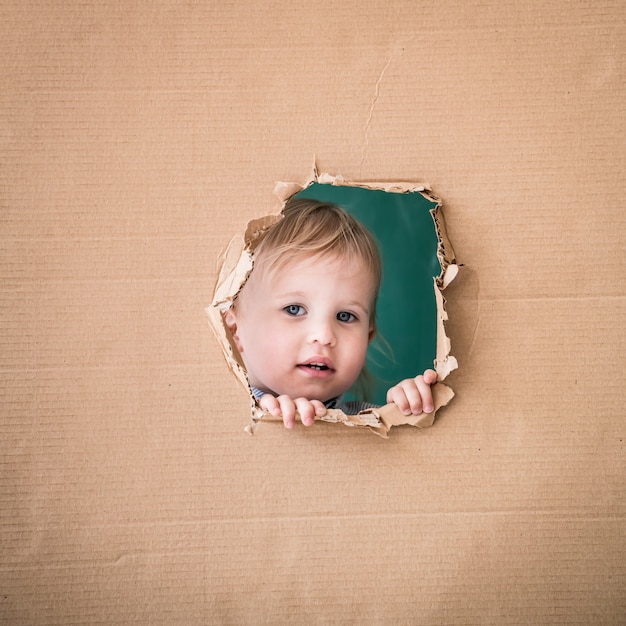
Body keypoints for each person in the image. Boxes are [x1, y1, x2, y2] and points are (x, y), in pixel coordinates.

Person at [224, 197, 437, 429]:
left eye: (345, 316)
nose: (324, 335)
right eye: (294, 310)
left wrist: (405, 410)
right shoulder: (213, 413)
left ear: (368, 336)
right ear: (235, 330)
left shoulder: (365, 421)